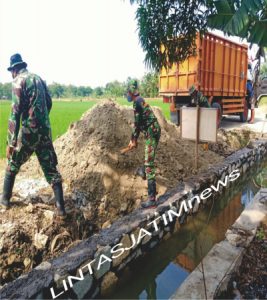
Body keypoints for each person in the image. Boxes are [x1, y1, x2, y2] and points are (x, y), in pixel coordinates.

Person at [0, 53, 66, 218]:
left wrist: (11, 142)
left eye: (11, 71)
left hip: (29, 131)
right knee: (51, 169)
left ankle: (4, 201)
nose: (11, 74)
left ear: (15, 69)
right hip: (44, 130)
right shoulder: (39, 78)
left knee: (13, 163)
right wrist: (41, 119)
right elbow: (49, 102)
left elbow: (14, 113)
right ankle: (61, 209)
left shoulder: (18, 81)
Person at [126, 80, 161, 209]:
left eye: (128, 93)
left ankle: (152, 199)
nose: (127, 95)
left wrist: (133, 139)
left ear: (131, 92)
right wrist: (133, 139)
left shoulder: (137, 103)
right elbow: (140, 124)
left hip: (152, 132)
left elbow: (137, 124)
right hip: (154, 130)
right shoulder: (141, 100)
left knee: (149, 164)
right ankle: (144, 171)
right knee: (148, 158)